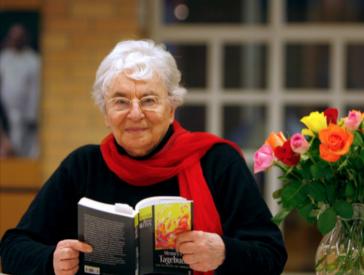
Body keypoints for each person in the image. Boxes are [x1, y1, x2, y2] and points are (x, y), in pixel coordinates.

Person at [0, 40, 287, 274]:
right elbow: (13, 247)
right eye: (121, 101)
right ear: (105, 113)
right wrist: (52, 259)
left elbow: (271, 254)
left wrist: (224, 252)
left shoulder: (217, 162)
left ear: (172, 108)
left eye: (149, 100)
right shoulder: (83, 166)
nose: (135, 114)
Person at [0, 23, 40, 157]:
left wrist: (32, 114)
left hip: (27, 115)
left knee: (27, 151)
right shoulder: (4, 58)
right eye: (13, 37)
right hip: (6, 113)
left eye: (19, 37)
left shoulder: (33, 60)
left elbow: (35, 89)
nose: (16, 40)